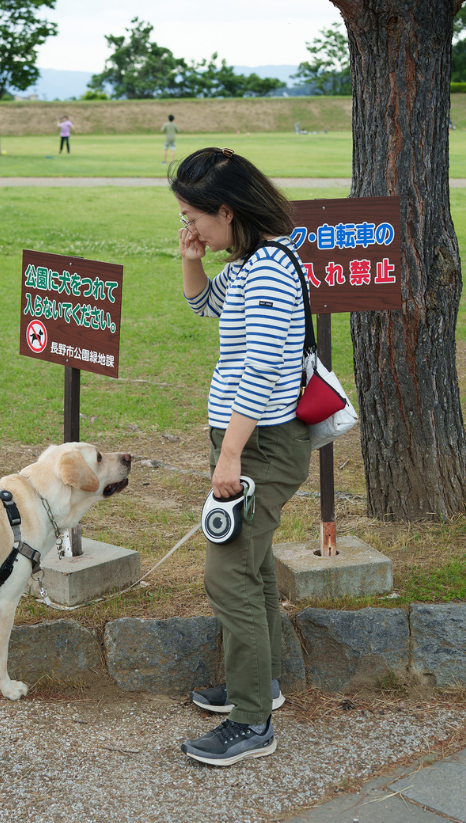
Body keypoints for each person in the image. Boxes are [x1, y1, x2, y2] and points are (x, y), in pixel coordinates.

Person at [169, 147, 311, 767]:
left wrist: (230, 455)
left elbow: (263, 368)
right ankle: (260, 685)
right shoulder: (251, 264)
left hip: (259, 447)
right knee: (252, 568)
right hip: (247, 441)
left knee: (227, 573)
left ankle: (252, 722)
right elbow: (206, 306)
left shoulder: (271, 270)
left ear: (226, 210)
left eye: (194, 217)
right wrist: (191, 262)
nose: (190, 227)